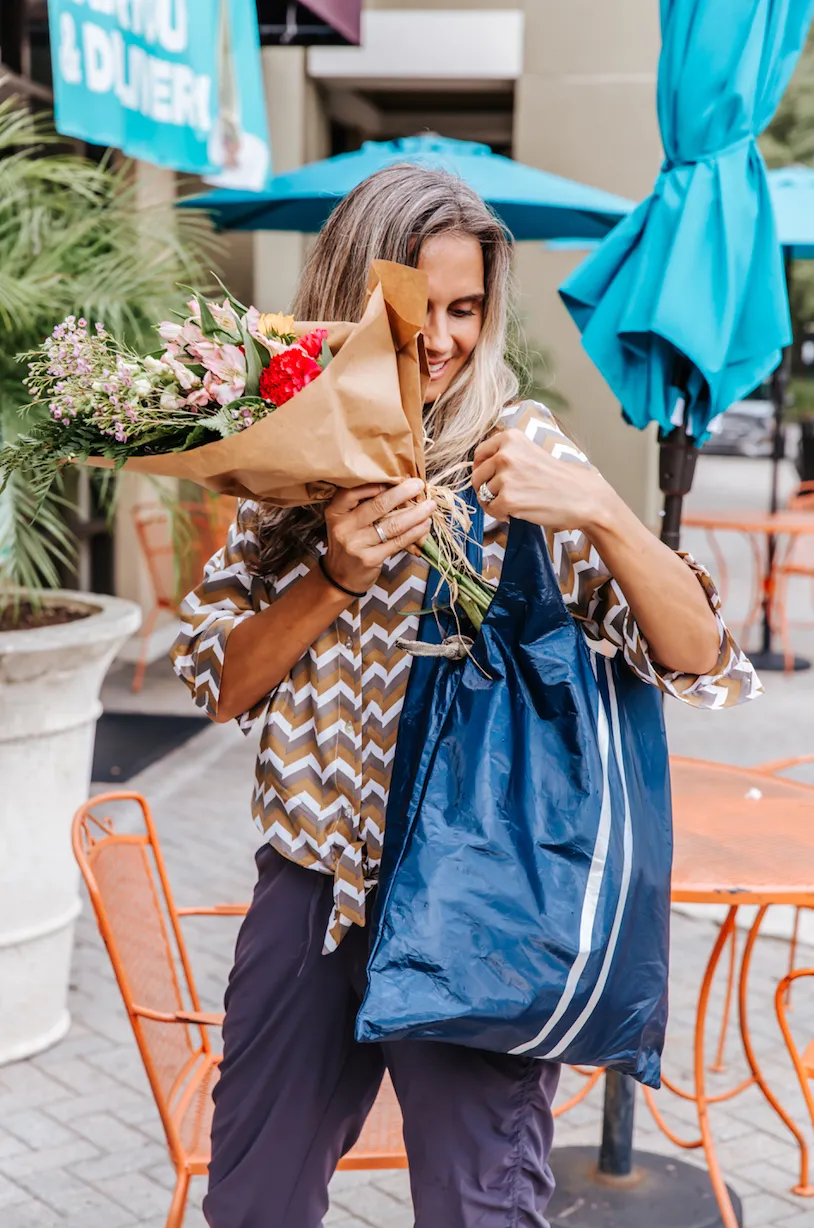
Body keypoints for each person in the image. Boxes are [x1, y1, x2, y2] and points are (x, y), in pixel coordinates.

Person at [171, 165, 760, 1228]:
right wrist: (333, 575)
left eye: (466, 308)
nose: (442, 337)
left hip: (479, 894)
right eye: (417, 308)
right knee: (253, 1200)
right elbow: (220, 683)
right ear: (355, 293)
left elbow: (698, 656)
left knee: (478, 1206)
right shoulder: (290, 462)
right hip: (310, 893)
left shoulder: (521, 456)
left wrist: (606, 516)